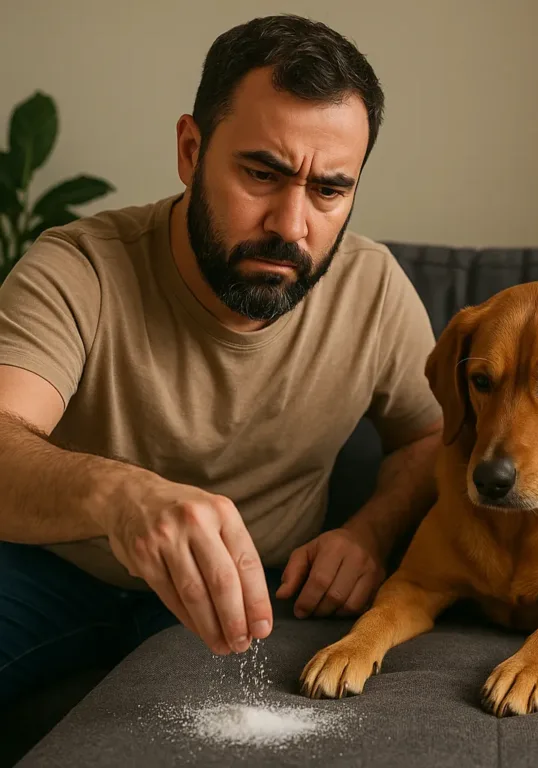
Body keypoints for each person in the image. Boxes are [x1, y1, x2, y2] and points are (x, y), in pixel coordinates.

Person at [0, 14, 442, 706]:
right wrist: (122, 499)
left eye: (329, 190)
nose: (291, 226)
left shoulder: (374, 288)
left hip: (255, 592)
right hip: (51, 573)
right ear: (190, 150)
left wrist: (369, 532)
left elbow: (432, 437)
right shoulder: (78, 267)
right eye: (261, 174)